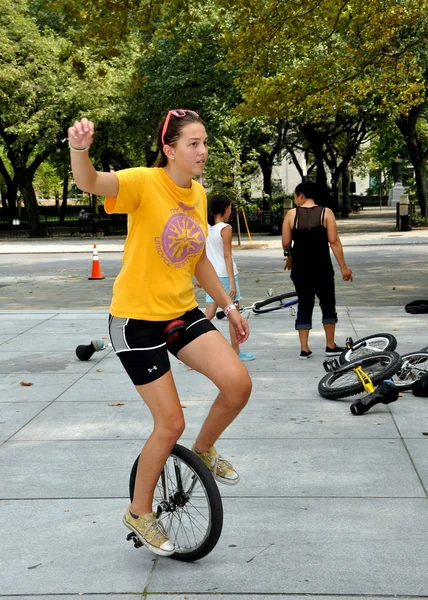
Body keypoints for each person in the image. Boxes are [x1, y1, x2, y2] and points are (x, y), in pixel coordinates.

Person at [68, 111, 252, 557]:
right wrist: (80, 148)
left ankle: (204, 449)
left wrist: (228, 307)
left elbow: (198, 260)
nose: (202, 150)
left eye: (204, 141)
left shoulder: (199, 193)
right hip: (135, 321)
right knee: (170, 422)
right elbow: (90, 182)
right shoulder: (143, 183)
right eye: (192, 143)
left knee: (238, 384)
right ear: (169, 149)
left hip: (180, 311)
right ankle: (139, 510)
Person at [282, 180, 353, 359]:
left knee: (304, 304)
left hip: (300, 268)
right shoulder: (326, 213)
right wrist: (343, 266)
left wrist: (289, 257)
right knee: (328, 303)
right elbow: (334, 241)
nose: (295, 199)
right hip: (322, 267)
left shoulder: (291, 215)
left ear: (301, 195)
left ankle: (304, 349)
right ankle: (330, 346)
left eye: (296, 196)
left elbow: (285, 243)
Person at [204, 194, 255, 361]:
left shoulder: (205, 227)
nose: (230, 211)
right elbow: (227, 255)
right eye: (230, 208)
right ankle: (236, 351)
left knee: (208, 314)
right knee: (234, 314)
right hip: (225, 276)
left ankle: (191, 345)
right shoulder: (225, 228)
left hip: (211, 275)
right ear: (225, 208)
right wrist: (232, 282)